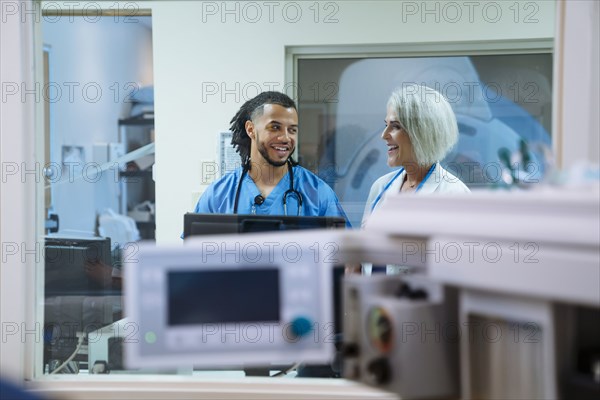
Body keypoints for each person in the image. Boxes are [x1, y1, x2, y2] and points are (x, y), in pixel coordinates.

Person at [193, 91, 349, 225]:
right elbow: (194, 253)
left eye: (292, 129)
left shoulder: (318, 193)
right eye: (275, 127)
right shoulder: (219, 194)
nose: (286, 138)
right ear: (251, 129)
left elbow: (347, 256)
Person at [362, 84, 470, 226]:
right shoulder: (380, 187)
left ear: (422, 133)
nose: (384, 135)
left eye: (395, 126)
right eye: (386, 125)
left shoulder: (455, 195)